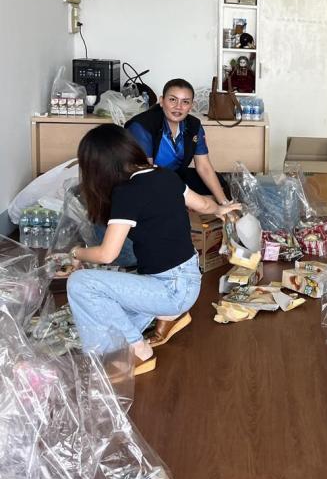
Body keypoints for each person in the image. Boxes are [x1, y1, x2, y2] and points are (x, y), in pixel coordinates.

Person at [66, 124, 239, 374]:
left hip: (170, 290)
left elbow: (107, 254)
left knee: (81, 283)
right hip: (187, 280)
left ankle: (139, 351)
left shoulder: (127, 193)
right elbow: (202, 204)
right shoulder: (165, 175)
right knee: (106, 317)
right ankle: (167, 317)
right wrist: (220, 209)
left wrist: (76, 253)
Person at [125, 78, 231, 205]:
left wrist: (224, 202)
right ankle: (188, 204)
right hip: (145, 180)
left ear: (191, 106)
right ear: (162, 101)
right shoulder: (142, 126)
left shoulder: (194, 125)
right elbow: (145, 174)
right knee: (170, 195)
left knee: (219, 185)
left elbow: (204, 167)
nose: (178, 107)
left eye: (185, 102)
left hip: (174, 176)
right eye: (172, 100)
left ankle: (197, 203)